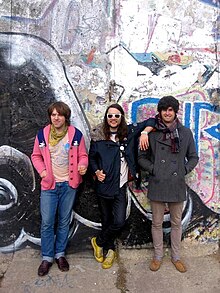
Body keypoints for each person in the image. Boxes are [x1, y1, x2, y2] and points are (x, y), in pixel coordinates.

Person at [89, 103, 155, 269]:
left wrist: (145, 133)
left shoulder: (130, 132)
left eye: (117, 116)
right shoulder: (98, 136)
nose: (113, 119)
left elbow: (152, 120)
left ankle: (98, 242)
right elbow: (92, 158)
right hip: (103, 186)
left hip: (120, 186)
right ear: (106, 117)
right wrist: (96, 171)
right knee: (106, 220)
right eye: (110, 115)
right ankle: (110, 250)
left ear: (121, 117)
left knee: (119, 221)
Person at [138, 96, 199, 273]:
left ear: (175, 111)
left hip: (176, 183)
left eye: (170, 109)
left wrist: (183, 170)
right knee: (156, 223)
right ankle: (157, 257)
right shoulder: (151, 133)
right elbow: (141, 158)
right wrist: (154, 169)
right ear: (160, 111)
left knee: (176, 223)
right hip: (157, 182)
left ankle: (176, 257)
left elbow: (194, 157)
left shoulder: (185, 133)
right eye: (164, 109)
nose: (167, 112)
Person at [31, 101, 88, 276]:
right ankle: (47, 257)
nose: (56, 118)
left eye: (59, 115)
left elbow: (83, 155)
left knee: (64, 221)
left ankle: (60, 254)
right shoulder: (42, 135)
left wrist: (83, 165)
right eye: (53, 115)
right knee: (48, 222)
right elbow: (35, 156)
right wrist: (42, 172)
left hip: (69, 185)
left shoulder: (75, 135)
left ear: (65, 117)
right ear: (50, 117)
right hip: (49, 185)